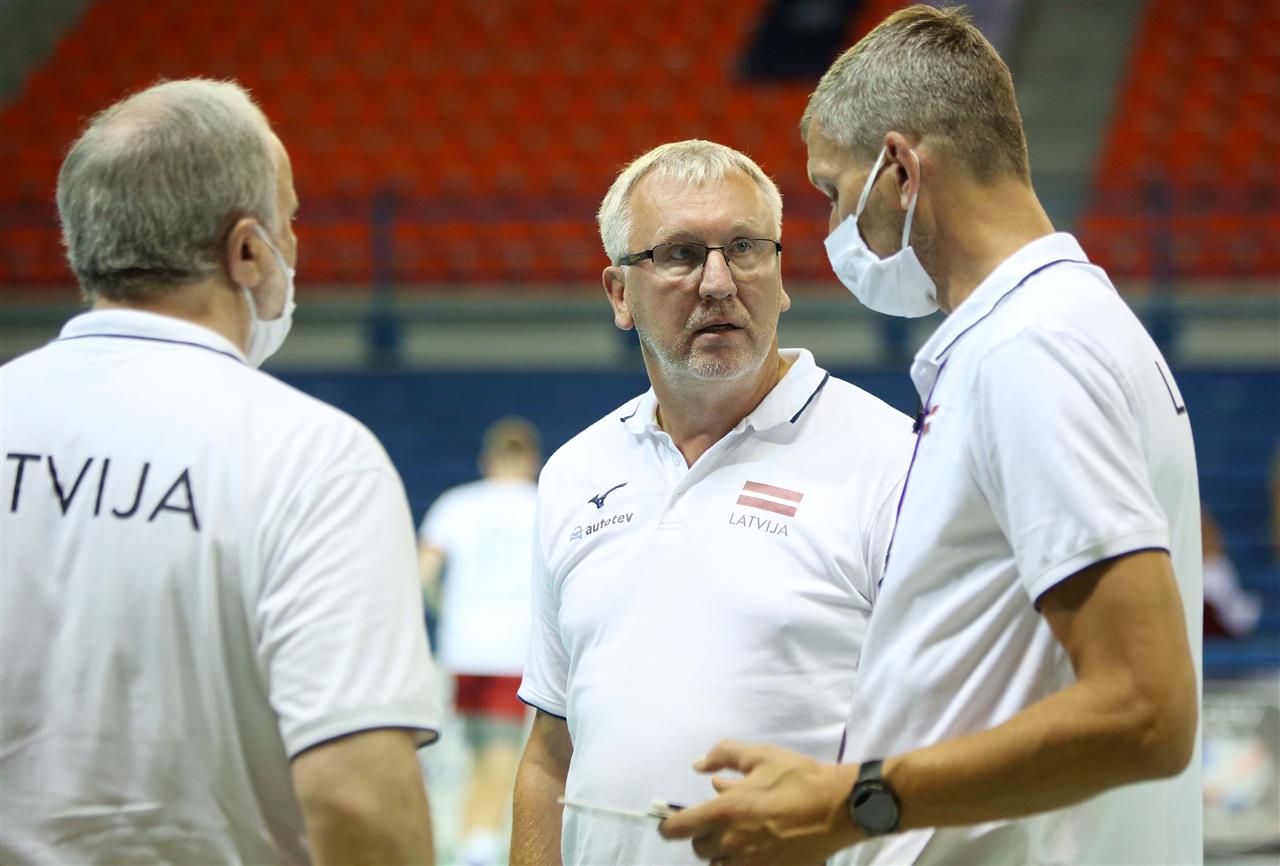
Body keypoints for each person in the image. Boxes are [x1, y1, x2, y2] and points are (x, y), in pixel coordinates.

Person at [660, 7, 1203, 866]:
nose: (833, 232)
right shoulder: (1060, 327)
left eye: (835, 193)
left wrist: (851, 802)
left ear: (901, 171)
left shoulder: (1031, 349)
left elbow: (1146, 711)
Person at [0, 79, 441, 864]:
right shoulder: (312, 458)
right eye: (289, 219)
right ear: (246, 250)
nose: (294, 246)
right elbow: (357, 799)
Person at [509, 139, 915, 866]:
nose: (720, 282)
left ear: (781, 277)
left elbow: (953, 734)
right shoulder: (575, 472)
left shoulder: (894, 460)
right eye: (681, 254)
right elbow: (550, 750)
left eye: (745, 248)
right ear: (619, 293)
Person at [418, 417, 541, 865]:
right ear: (532, 460)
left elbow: (423, 573)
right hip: (513, 649)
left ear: (486, 460)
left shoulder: (456, 504)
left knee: (475, 753)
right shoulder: (544, 503)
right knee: (501, 757)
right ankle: (479, 843)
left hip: (463, 648)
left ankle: (473, 836)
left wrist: (446, 612)